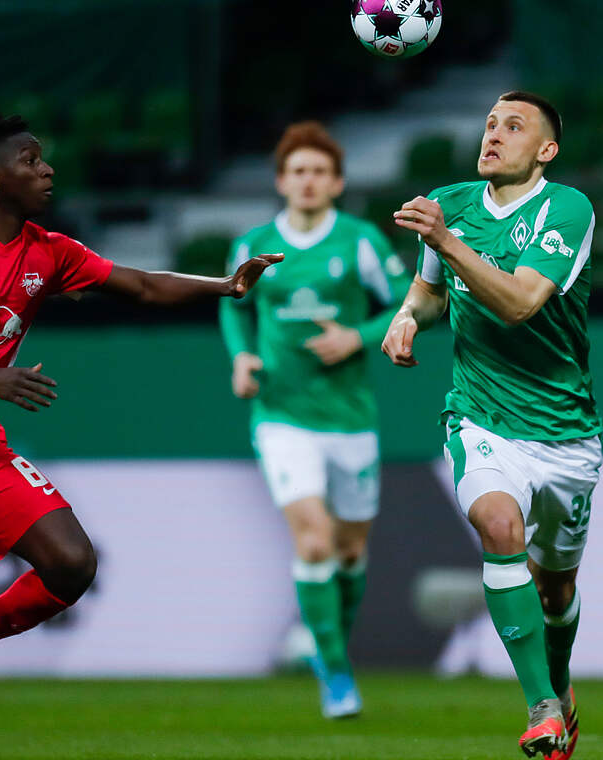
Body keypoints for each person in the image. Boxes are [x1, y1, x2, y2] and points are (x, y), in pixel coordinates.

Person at [0, 114, 279, 760]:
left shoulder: (47, 252)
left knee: (72, 562)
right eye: (30, 161)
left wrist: (223, 287)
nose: (46, 170)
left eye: (44, 159)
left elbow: (139, 284)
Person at [382, 92, 599, 759]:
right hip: (481, 415)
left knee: (555, 587)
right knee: (499, 527)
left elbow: (521, 304)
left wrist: (445, 240)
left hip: (565, 432)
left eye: (514, 127)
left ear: (546, 150)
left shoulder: (567, 209)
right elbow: (431, 287)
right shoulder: (451, 201)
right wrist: (409, 316)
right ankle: (540, 708)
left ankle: (557, 687)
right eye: (489, 124)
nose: (494, 135)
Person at [219, 121, 411, 718]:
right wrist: (243, 356)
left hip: (351, 417)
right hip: (281, 416)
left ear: (337, 183)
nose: (308, 181)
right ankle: (334, 674)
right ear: (281, 180)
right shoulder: (253, 244)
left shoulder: (359, 242)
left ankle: (330, 644)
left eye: (319, 172)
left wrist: (360, 334)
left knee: (350, 553)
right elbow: (235, 309)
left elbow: (413, 302)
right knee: (313, 538)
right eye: (298, 171)